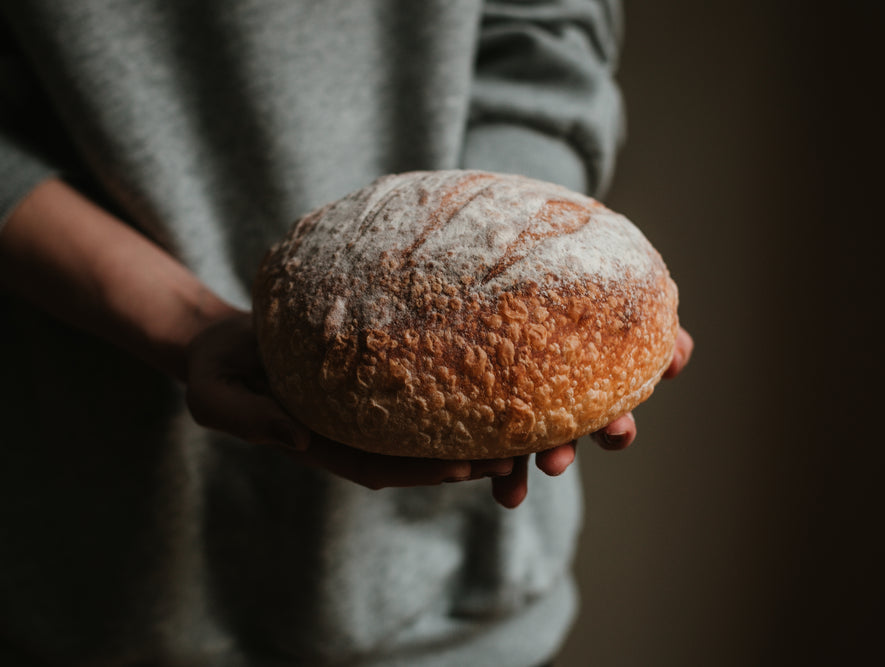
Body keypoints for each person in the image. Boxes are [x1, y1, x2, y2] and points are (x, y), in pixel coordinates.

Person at [0, 2, 693, 665]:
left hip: (461, 609)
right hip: (102, 559)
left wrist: (519, 255)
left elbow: (540, 32)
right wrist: (184, 320)